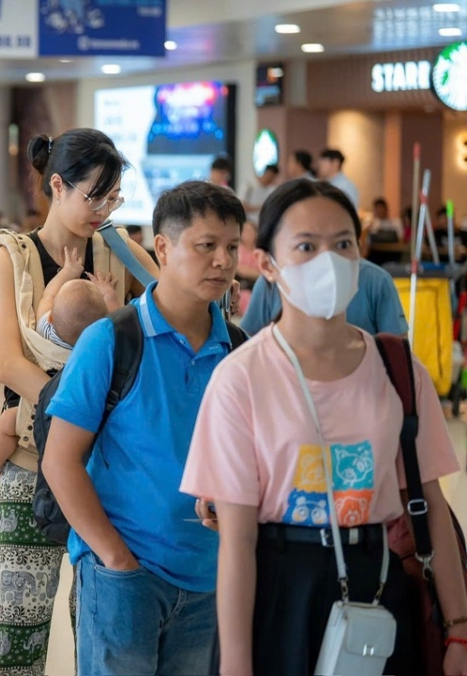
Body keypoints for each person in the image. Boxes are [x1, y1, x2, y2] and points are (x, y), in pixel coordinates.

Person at [180, 178, 467, 675]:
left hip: (376, 584)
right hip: (278, 590)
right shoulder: (240, 379)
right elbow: (238, 543)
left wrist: (460, 627)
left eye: (342, 244)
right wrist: (236, 664)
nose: (328, 261)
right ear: (267, 264)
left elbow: (432, 506)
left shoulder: (398, 369)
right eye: (306, 246)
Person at [41, 180, 245, 676]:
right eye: (206, 246)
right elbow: (60, 460)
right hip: (125, 577)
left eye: (232, 247)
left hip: (208, 576)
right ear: (163, 247)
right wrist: (113, 557)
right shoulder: (112, 340)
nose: (222, 260)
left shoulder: (239, 350)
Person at [0, 128, 157, 676]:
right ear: (57, 185)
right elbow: (10, 361)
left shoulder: (116, 250)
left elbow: (165, 308)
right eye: (95, 196)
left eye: (114, 197)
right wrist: (79, 410)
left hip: (103, 470)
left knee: (102, 629)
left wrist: (134, 246)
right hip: (31, 459)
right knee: (17, 630)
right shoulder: (10, 254)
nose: (103, 209)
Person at [0, 278, 113, 478]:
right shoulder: (100, 344)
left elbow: (47, 297)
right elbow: (116, 317)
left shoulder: (47, 331)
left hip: (37, 412)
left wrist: (67, 271)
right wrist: (109, 293)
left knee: (8, 422)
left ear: (50, 319)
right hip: (83, 414)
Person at [240, 251, 407, 336]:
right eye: (308, 246)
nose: (327, 254)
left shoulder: (375, 280)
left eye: (342, 243)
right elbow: (248, 338)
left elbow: (396, 351)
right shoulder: (274, 281)